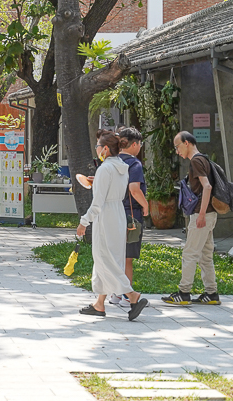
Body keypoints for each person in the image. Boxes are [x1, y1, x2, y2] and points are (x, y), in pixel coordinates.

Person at [76, 131, 149, 321]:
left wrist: (84, 221)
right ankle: (99, 303)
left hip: (105, 216)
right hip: (118, 214)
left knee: (104, 258)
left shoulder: (104, 169)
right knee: (109, 259)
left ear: (105, 148)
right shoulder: (122, 167)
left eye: (98, 146)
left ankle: (132, 296)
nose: (97, 150)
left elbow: (98, 203)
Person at [162, 131, 221, 306]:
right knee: (205, 256)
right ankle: (211, 294)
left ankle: (184, 292)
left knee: (190, 253)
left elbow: (207, 187)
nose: (177, 150)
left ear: (186, 143)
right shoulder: (203, 159)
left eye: (177, 146)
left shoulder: (196, 161)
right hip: (210, 215)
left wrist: (201, 214)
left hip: (202, 215)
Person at [109, 127, 149, 310]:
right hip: (130, 215)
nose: (140, 147)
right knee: (127, 258)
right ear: (134, 144)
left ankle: (115, 294)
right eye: (140, 144)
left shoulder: (110, 162)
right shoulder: (134, 164)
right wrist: (146, 205)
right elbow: (134, 189)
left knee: (115, 255)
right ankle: (127, 295)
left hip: (111, 213)